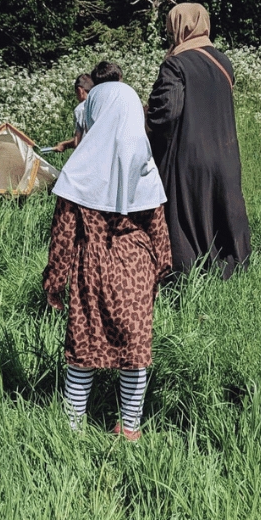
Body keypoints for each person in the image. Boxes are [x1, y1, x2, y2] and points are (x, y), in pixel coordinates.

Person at [43, 62, 172, 441]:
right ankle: (129, 427)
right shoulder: (144, 165)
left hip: (91, 265)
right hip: (137, 264)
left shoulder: (80, 170)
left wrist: (54, 281)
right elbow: (158, 227)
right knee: (135, 350)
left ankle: (72, 428)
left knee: (83, 348)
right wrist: (160, 269)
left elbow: (63, 235)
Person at [146, 2, 252, 279]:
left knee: (187, 214)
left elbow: (167, 112)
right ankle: (231, 269)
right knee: (223, 209)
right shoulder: (222, 61)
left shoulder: (176, 63)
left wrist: (145, 116)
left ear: (177, 26)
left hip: (190, 154)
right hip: (226, 151)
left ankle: (188, 275)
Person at [52, 74, 95, 153]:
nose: (76, 97)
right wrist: (65, 145)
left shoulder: (80, 109)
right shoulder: (99, 105)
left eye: (76, 93)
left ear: (80, 90)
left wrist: (65, 145)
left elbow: (77, 142)